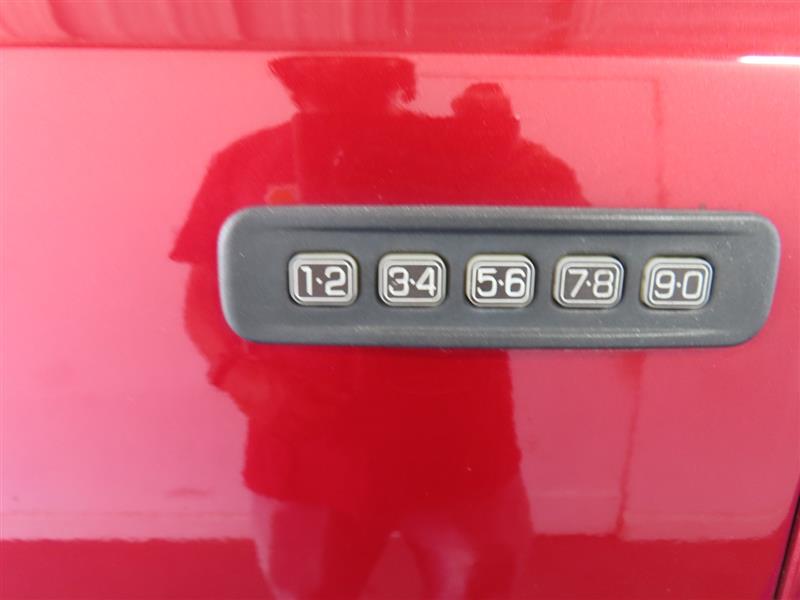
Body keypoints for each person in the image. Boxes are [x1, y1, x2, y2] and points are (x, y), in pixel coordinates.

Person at [172, 55, 584, 599]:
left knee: (478, 588)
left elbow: (570, 254)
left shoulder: (468, 149)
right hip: (303, 440)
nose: (338, 73)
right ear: (290, 76)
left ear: (401, 78)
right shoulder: (246, 161)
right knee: (308, 592)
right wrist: (234, 373)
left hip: (456, 440)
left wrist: (504, 150)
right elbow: (204, 293)